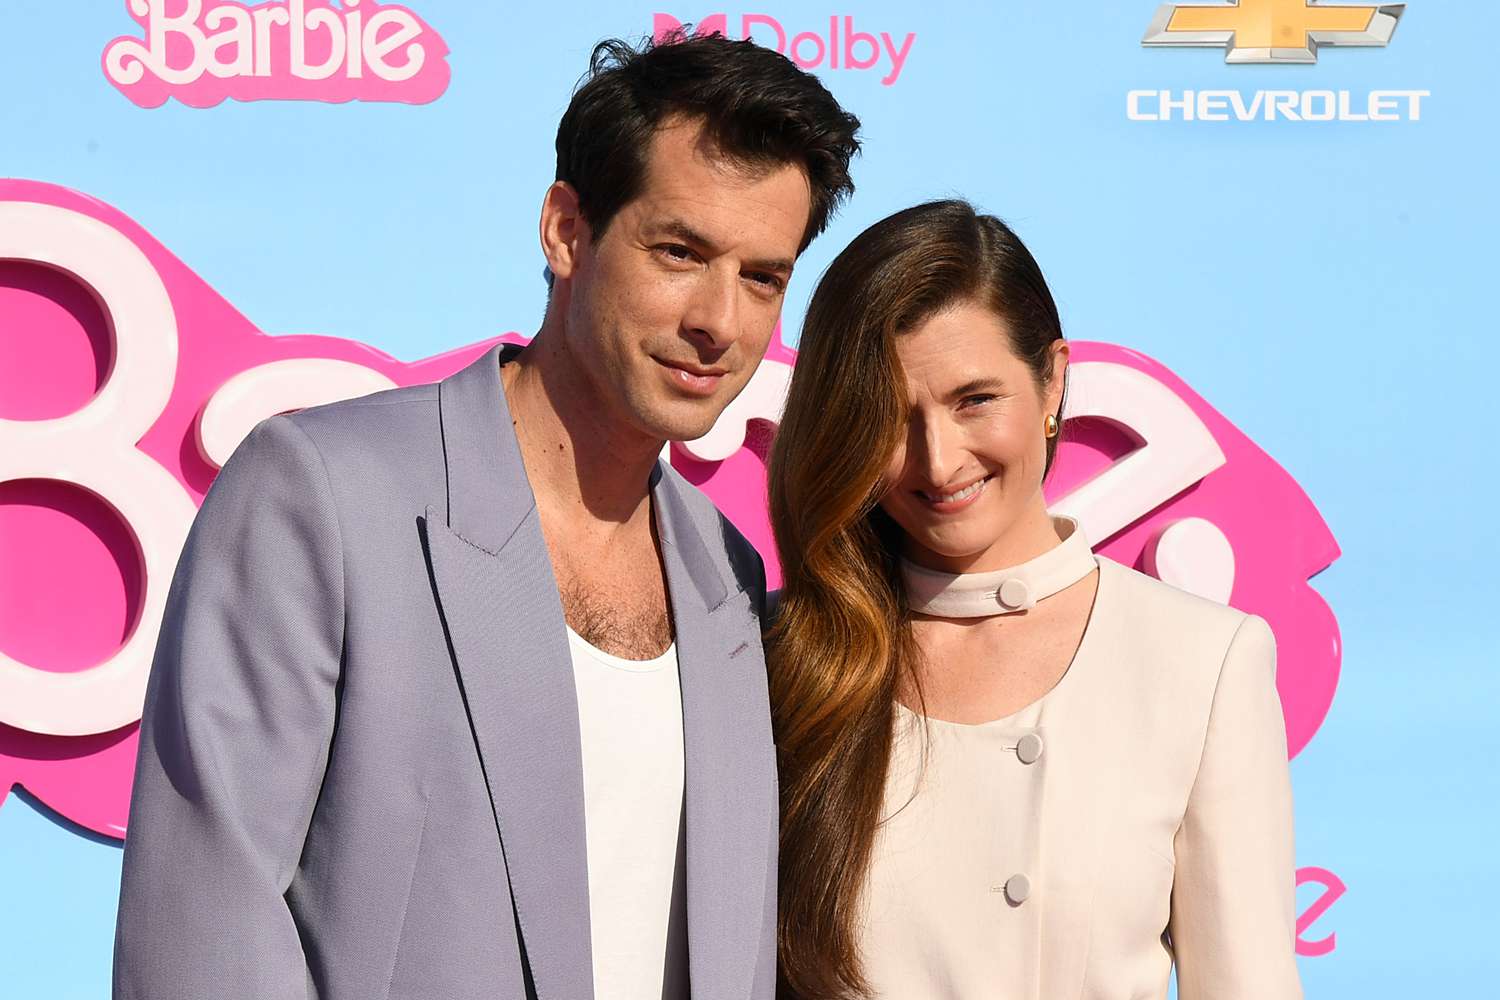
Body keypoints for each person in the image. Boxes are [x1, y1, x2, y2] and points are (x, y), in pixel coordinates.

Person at [113, 33, 859, 1000]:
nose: (720, 319)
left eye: (763, 277)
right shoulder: (325, 495)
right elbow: (202, 935)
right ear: (565, 231)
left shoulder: (727, 573)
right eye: (680, 252)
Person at [768, 200, 1301, 1000]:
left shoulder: (1200, 661)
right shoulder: (786, 655)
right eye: (889, 415)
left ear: (1052, 380)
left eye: (975, 400)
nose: (940, 460)